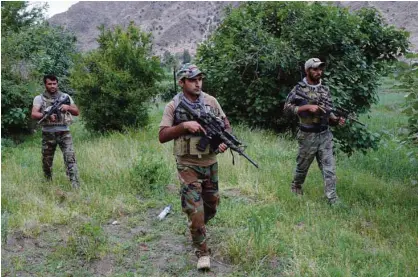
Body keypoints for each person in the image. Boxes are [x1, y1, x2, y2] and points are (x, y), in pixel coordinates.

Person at [159, 64, 230, 270]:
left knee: (212, 205)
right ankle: (202, 252)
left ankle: (196, 226)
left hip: (210, 162)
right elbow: (162, 135)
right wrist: (183, 126)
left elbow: (225, 124)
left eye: (200, 79)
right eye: (192, 79)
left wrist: (222, 139)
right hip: (187, 164)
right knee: (195, 210)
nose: (198, 83)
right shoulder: (173, 105)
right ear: (182, 82)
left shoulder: (211, 101)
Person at [284, 58, 345, 205]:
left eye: (320, 69)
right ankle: (296, 186)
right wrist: (305, 108)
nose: (319, 72)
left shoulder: (325, 90)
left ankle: (332, 199)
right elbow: (286, 108)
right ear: (307, 71)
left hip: (325, 135)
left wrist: (336, 121)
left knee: (329, 169)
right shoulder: (298, 89)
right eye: (315, 69)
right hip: (307, 135)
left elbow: (328, 113)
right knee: (302, 166)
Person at [31, 74, 80, 189]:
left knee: (70, 158)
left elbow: (76, 112)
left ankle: (75, 185)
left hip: (64, 132)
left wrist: (67, 108)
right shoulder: (39, 98)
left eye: (54, 83)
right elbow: (34, 114)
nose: (52, 86)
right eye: (50, 84)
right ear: (45, 84)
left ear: (57, 84)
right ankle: (48, 184)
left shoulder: (65, 96)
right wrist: (46, 116)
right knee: (46, 161)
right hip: (48, 133)